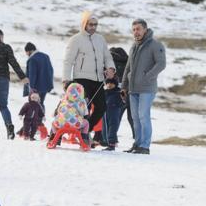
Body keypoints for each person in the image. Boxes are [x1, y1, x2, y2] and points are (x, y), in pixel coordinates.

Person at [62, 11, 115, 145]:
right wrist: (66, 80)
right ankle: (82, 136)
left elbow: (107, 57)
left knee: (102, 107)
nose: (93, 27)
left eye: (95, 25)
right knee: (84, 109)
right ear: (84, 24)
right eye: (90, 24)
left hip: (98, 79)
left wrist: (110, 68)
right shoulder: (76, 39)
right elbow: (68, 61)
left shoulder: (100, 39)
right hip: (81, 79)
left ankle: (84, 131)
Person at [121, 19, 166, 155]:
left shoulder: (155, 45)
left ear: (145, 30)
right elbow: (128, 68)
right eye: (134, 29)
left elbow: (161, 64)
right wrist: (124, 85)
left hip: (147, 88)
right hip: (133, 89)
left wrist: (147, 76)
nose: (136, 32)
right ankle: (138, 144)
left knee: (143, 116)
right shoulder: (133, 47)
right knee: (135, 117)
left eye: (138, 29)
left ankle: (145, 146)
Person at [23, 42, 54, 108]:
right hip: (45, 86)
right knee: (41, 103)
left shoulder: (32, 59)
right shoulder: (45, 56)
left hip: (36, 87)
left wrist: (31, 88)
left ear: (30, 51)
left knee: (34, 105)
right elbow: (51, 70)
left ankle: (37, 118)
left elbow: (32, 75)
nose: (27, 54)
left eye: (27, 52)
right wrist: (50, 84)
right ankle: (42, 117)